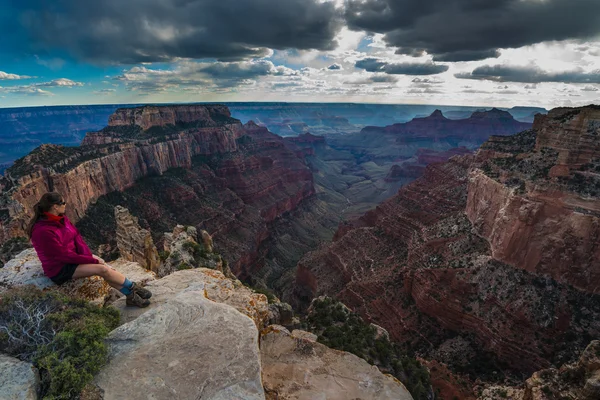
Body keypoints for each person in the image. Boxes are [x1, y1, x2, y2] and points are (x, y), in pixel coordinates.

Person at [27, 192, 151, 308]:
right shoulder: (42, 231)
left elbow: (76, 237)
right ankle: (133, 288)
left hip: (73, 258)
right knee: (102, 269)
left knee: (107, 269)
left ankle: (130, 296)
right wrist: (91, 260)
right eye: (63, 203)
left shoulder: (62, 219)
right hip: (60, 268)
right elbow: (62, 256)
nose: (66, 205)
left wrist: (89, 256)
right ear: (55, 206)